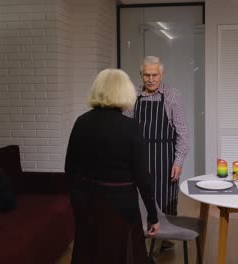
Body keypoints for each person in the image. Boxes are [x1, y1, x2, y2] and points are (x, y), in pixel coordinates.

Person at [65, 69, 160, 264]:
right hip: (121, 207)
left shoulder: (81, 122)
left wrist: (78, 201)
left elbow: (70, 169)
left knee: (91, 252)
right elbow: (142, 176)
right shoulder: (131, 127)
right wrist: (153, 214)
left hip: (87, 203)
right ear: (125, 92)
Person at [124, 55, 189, 217]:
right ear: (141, 76)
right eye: (147, 75)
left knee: (166, 199)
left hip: (165, 159)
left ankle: (167, 236)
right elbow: (125, 129)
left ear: (162, 74)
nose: (151, 79)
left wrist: (178, 162)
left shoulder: (172, 95)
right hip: (139, 157)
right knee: (139, 199)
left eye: (155, 75)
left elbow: (183, 132)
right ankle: (142, 234)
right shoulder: (133, 96)